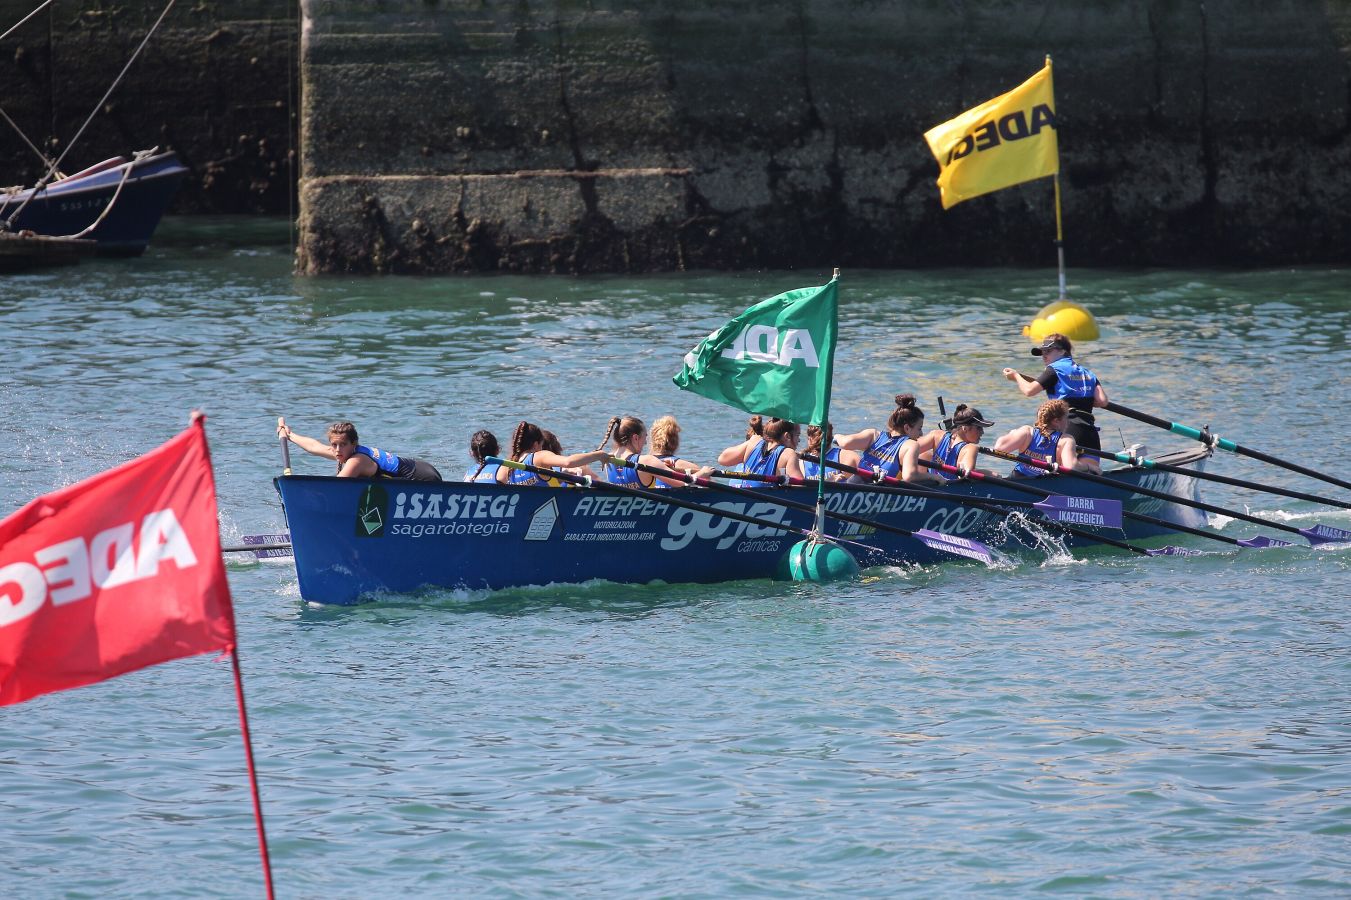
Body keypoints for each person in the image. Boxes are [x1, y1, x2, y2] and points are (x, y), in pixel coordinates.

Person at [1002, 333, 1108, 471]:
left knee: (1060, 472)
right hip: (1089, 430)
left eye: (1049, 351)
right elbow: (1103, 401)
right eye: (1042, 352)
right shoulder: (1087, 373)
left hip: (1066, 426)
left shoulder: (1054, 369)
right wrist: (1082, 398)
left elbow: (1029, 391)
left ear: (1063, 351)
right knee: (1091, 472)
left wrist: (1016, 376)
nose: (1044, 355)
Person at [276, 417, 442, 481]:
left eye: (343, 444)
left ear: (354, 444)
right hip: (417, 470)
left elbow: (336, 486)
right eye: (334, 445)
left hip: (425, 478)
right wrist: (290, 435)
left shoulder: (357, 461)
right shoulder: (342, 452)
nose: (337, 449)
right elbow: (314, 446)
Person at [834, 394, 940, 483]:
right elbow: (910, 476)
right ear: (907, 428)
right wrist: (933, 477)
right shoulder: (911, 445)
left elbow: (845, 443)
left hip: (853, 483)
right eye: (919, 428)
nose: (921, 434)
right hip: (878, 494)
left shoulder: (873, 435)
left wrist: (836, 436)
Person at [495, 421, 611, 485]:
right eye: (541, 445)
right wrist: (599, 455)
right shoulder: (538, 457)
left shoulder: (506, 468)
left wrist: (565, 474)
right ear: (536, 445)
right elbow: (568, 461)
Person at [597, 416, 691, 488]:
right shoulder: (647, 461)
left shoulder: (607, 461)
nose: (646, 443)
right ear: (636, 438)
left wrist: (660, 465)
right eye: (645, 437)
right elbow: (683, 484)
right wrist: (704, 472)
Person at [993, 399, 1080, 477]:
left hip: (1018, 480)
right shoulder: (1066, 440)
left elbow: (998, 449)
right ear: (1056, 421)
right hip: (1045, 485)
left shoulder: (1026, 432)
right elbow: (1071, 468)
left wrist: (1012, 433)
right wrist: (1088, 467)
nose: (1068, 422)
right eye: (1066, 418)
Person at [718, 416, 805, 485]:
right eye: (797, 435)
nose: (799, 440)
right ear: (787, 436)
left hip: (745, 498)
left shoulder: (753, 441)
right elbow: (801, 487)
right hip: (770, 504)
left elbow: (722, 459)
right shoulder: (789, 454)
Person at [925, 405, 994, 480]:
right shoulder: (971, 448)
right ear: (965, 428)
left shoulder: (936, 435)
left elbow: (911, 445)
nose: (982, 432)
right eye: (979, 428)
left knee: (926, 455)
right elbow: (968, 472)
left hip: (930, 484)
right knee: (995, 475)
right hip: (949, 489)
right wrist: (991, 474)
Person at [649, 416, 706, 480]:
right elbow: (707, 482)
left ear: (653, 441)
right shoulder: (694, 468)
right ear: (676, 441)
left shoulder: (642, 463)